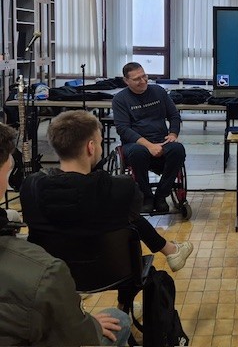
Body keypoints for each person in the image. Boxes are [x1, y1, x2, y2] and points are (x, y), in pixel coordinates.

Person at [0, 122, 132, 346]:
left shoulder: (31, 187)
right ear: (91, 147)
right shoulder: (46, 272)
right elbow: (74, 333)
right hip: (99, 279)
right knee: (119, 319)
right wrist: (90, 323)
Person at [20, 110, 193, 274]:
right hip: (110, 272)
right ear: (91, 147)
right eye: (100, 142)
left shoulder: (30, 186)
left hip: (50, 272)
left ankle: (171, 250)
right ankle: (170, 250)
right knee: (123, 209)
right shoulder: (119, 187)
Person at [113, 62, 186, 213]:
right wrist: (149, 146)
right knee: (138, 152)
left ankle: (161, 195)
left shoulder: (158, 92)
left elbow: (174, 115)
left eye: (144, 76)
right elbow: (123, 129)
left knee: (178, 149)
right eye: (137, 79)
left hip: (161, 139)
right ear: (126, 81)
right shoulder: (120, 99)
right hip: (135, 144)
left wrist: (173, 133)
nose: (143, 81)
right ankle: (146, 196)